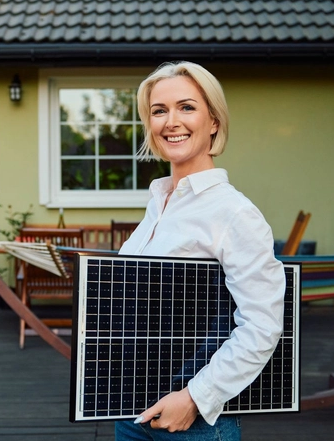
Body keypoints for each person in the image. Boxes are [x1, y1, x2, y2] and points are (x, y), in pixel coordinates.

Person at [115, 61, 286, 440]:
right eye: (159, 111)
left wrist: (194, 398)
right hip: (131, 410)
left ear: (213, 122)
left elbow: (262, 326)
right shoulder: (158, 202)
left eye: (187, 107)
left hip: (194, 421)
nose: (171, 121)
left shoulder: (234, 212)